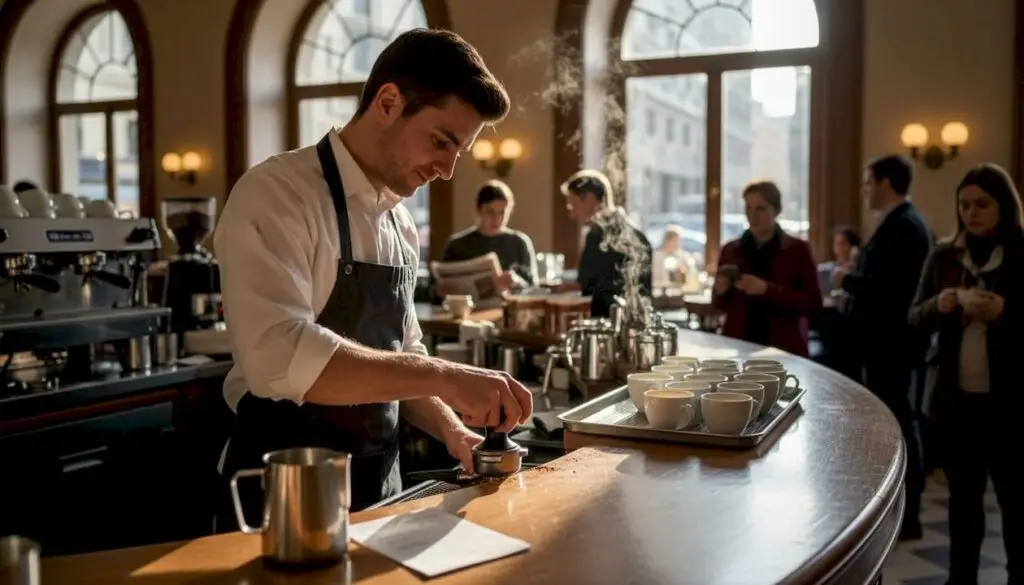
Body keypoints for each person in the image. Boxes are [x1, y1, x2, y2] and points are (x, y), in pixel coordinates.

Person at [214, 29, 533, 526]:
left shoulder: (401, 224)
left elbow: (404, 358)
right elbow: (279, 355)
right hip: (286, 496)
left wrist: (455, 433)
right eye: (440, 141)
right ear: (388, 102)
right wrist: (449, 378)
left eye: (459, 152)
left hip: (381, 491)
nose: (449, 169)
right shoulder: (277, 194)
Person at [908, 163, 1023, 584]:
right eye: (964, 205)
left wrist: (1006, 312)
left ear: (1004, 207)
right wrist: (939, 305)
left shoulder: (1021, 254)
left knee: (1016, 510)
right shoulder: (944, 255)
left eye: (981, 204)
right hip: (956, 404)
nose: (971, 212)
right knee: (963, 509)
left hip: (1011, 405)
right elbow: (913, 317)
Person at [834, 154, 932, 540]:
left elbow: (892, 290)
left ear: (885, 184)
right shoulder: (899, 223)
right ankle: (899, 510)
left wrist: (849, 278)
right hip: (885, 344)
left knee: (899, 425)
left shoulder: (904, 227)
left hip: (891, 345)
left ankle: (907, 514)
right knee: (895, 422)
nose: (864, 190)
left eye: (867, 182)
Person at [712, 180, 822, 356]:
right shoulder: (731, 250)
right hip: (739, 344)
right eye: (748, 208)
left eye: (761, 209)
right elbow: (719, 304)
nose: (753, 216)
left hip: (783, 346)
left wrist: (766, 289)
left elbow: (813, 303)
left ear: (776, 210)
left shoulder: (797, 250)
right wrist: (721, 290)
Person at [561, 169, 653, 318]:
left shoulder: (597, 235)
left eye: (574, 205)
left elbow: (589, 288)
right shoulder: (637, 234)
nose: (572, 215)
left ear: (590, 199)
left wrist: (564, 290)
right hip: (637, 321)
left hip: (607, 323)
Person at [437, 179, 538, 294]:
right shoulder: (456, 245)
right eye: (490, 212)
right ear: (479, 211)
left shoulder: (519, 243)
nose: (497, 218)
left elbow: (533, 287)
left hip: (507, 308)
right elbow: (439, 288)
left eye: (502, 212)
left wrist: (516, 281)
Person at [651, 224, 697, 289]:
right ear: (667, 240)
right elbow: (655, 279)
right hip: (659, 292)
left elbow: (691, 273)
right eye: (675, 241)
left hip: (679, 292)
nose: (678, 244)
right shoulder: (657, 256)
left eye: (679, 241)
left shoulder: (682, 256)